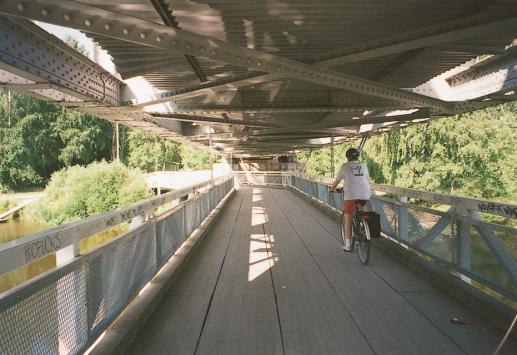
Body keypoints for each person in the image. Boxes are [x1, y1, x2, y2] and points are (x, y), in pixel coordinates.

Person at [330, 148, 371, 251]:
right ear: (357, 156)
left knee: (348, 219)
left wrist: (331, 189)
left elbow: (337, 181)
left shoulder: (345, 166)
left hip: (351, 196)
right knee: (363, 212)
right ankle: (365, 228)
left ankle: (348, 245)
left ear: (348, 157)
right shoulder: (364, 166)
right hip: (364, 194)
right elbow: (366, 178)